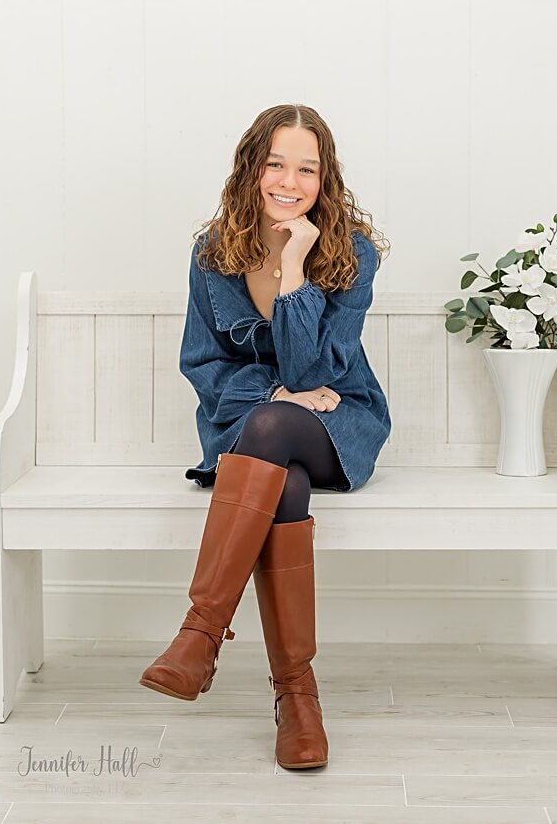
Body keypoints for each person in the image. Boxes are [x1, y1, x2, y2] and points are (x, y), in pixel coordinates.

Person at [138, 104, 391, 771]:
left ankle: (199, 636)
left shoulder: (352, 254)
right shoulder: (212, 254)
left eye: (307, 168)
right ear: (252, 169)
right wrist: (275, 393)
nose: (289, 180)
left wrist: (298, 268)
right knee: (281, 464)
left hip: (339, 423)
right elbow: (203, 363)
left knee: (275, 430)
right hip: (252, 424)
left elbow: (317, 373)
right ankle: (297, 700)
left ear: (324, 179)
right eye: (276, 163)